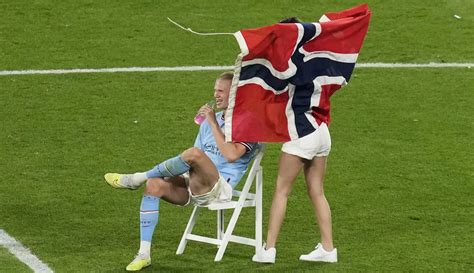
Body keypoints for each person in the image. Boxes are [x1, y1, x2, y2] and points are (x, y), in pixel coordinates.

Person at [104, 71, 260, 271]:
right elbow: (190, 161)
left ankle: (136, 178)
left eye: (221, 91)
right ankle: (144, 254)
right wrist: (172, 175)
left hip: (219, 189)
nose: (216, 95)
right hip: (194, 183)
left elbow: (230, 155)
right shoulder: (208, 123)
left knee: (194, 154)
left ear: (235, 95)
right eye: (215, 90)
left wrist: (212, 122)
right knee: (154, 185)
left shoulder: (249, 125)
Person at [251, 17, 337, 264]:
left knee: (281, 190)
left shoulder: (288, 63)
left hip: (301, 132)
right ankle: (328, 249)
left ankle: (268, 249)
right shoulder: (320, 60)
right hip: (322, 130)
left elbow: (271, 86)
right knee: (317, 191)